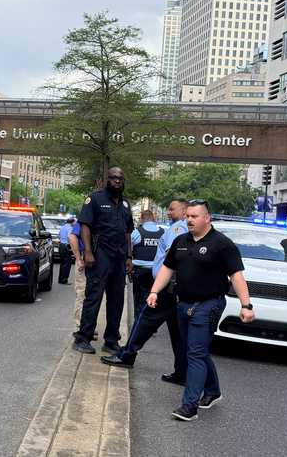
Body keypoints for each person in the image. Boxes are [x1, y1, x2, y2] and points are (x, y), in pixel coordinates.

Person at [148, 199, 254, 423]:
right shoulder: (180, 241)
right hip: (183, 303)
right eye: (187, 216)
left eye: (194, 216)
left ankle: (190, 406)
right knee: (195, 350)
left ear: (207, 218)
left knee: (195, 353)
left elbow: (236, 275)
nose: (189, 220)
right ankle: (213, 390)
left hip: (208, 304)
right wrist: (155, 291)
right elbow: (168, 269)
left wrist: (246, 305)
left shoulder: (222, 244)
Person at [100, 200, 189, 385]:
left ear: (184, 210)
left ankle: (127, 355)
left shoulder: (177, 230)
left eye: (172, 209)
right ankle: (182, 371)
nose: (169, 212)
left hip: (166, 287)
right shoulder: (171, 229)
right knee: (177, 333)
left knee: (144, 319)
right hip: (174, 288)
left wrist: (158, 288)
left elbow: (172, 258)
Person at [72, 166, 134, 356]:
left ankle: (111, 341)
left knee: (117, 300)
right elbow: (85, 226)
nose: (117, 181)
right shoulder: (95, 198)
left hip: (119, 257)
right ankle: (83, 338)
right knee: (94, 297)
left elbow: (127, 232)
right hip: (100, 256)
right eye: (114, 178)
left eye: (120, 179)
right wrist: (88, 252)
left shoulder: (125, 204)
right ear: (107, 179)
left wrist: (129, 257)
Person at [57, 215, 77, 284]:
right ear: (72, 222)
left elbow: (58, 235)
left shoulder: (62, 227)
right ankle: (64, 280)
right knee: (67, 264)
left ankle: (60, 279)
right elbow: (70, 237)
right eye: (75, 222)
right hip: (66, 246)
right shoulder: (70, 228)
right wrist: (72, 247)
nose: (75, 223)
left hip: (61, 245)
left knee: (62, 263)